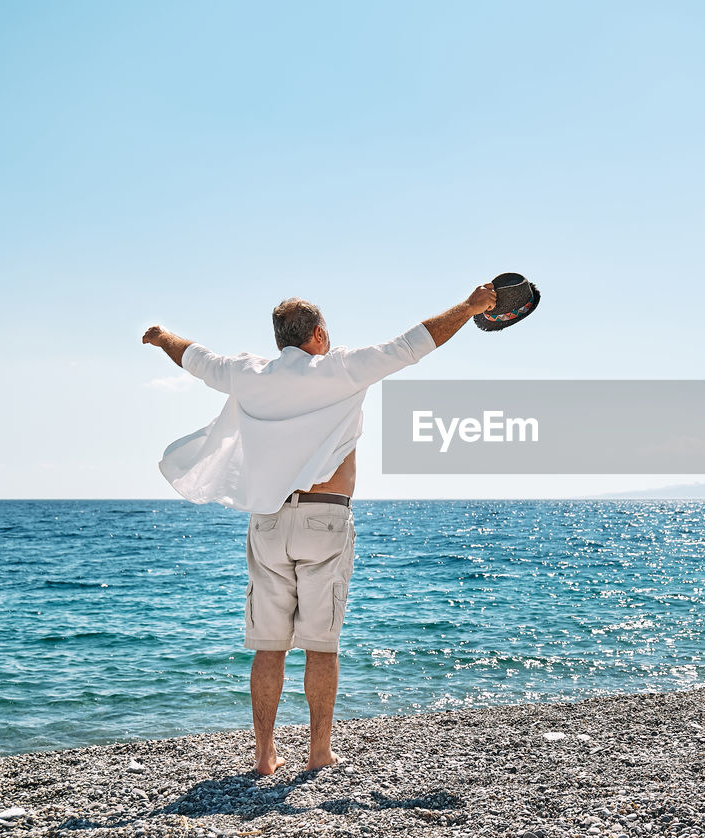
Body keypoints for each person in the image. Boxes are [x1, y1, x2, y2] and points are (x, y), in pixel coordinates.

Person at [141, 283, 497, 774]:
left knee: (269, 646)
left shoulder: (249, 373)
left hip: (267, 520)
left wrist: (161, 336)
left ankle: (265, 756)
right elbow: (416, 342)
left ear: (279, 339)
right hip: (324, 517)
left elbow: (194, 357)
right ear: (319, 333)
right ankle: (318, 751)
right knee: (320, 643)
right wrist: (472, 306)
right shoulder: (341, 368)